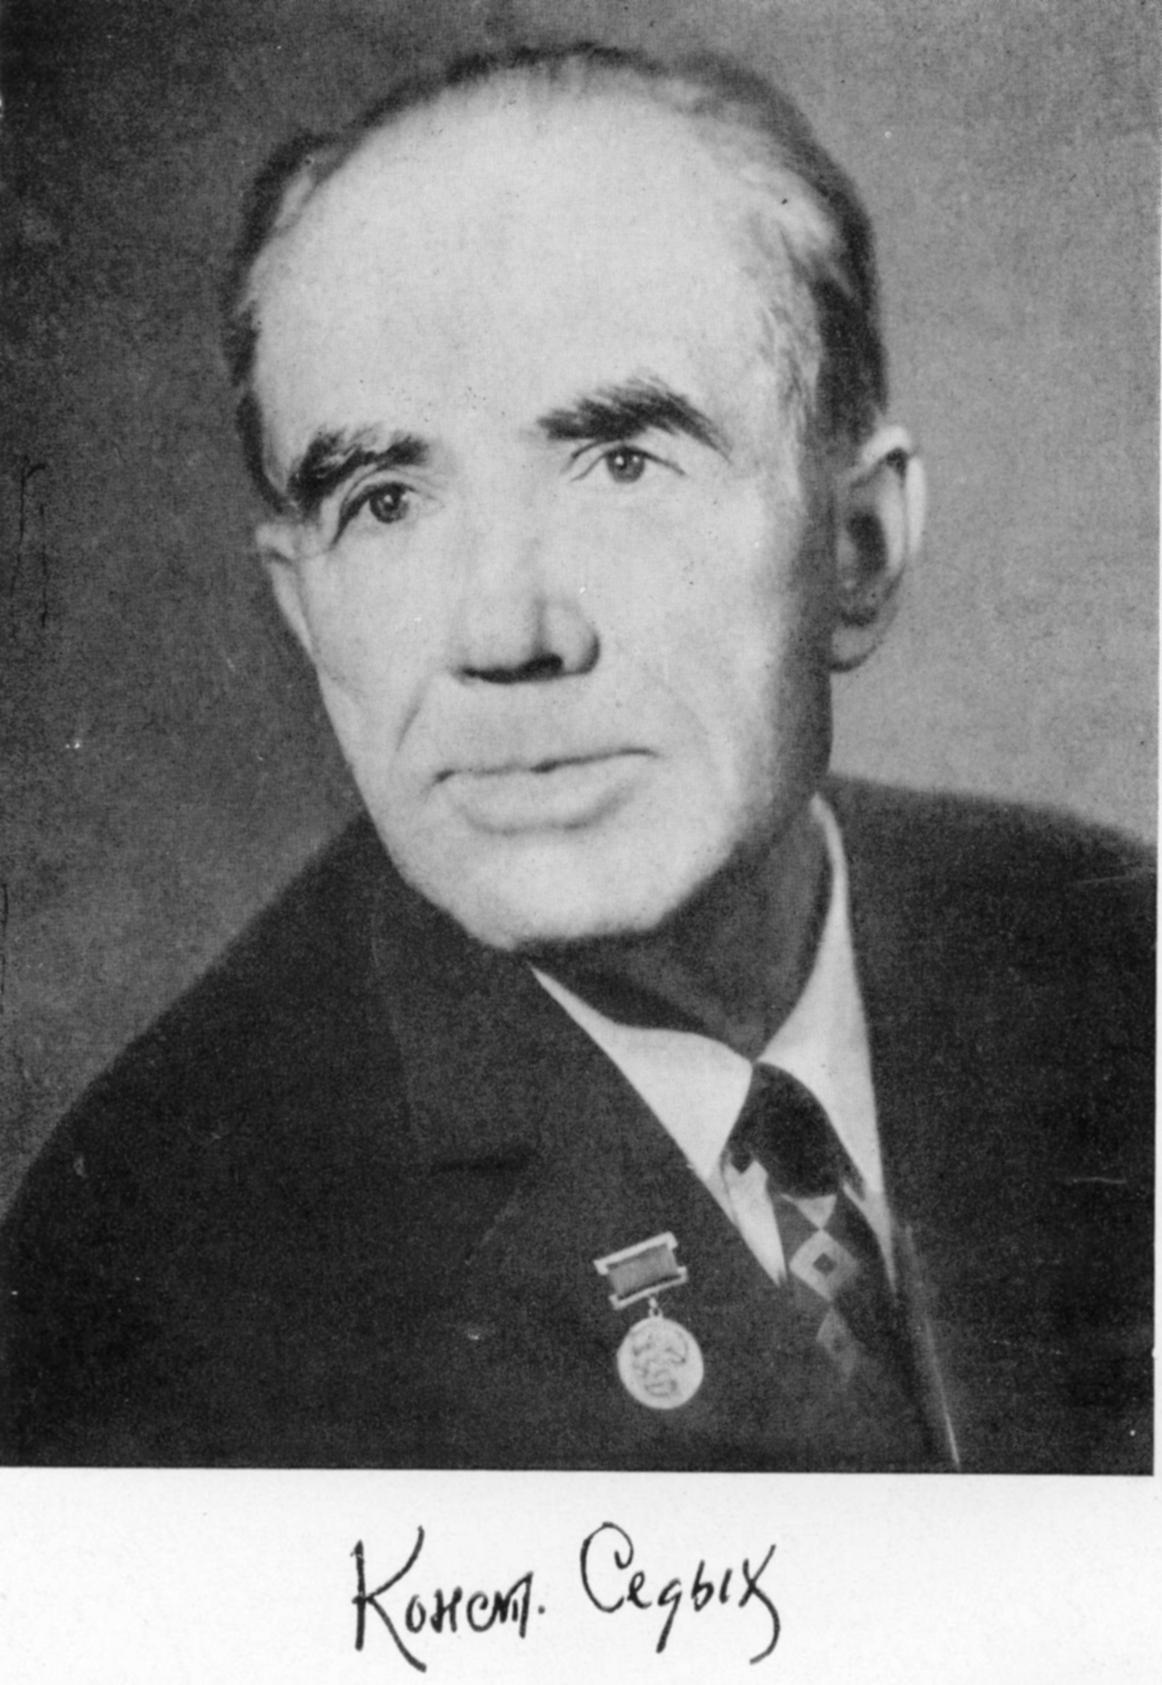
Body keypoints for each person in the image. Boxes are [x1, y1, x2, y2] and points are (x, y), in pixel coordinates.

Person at [0, 41, 1151, 1471]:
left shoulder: (1113, 948)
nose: (506, 631)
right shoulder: (151, 1277)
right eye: (385, 499)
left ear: (856, 549)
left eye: (621, 462)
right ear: (303, 612)